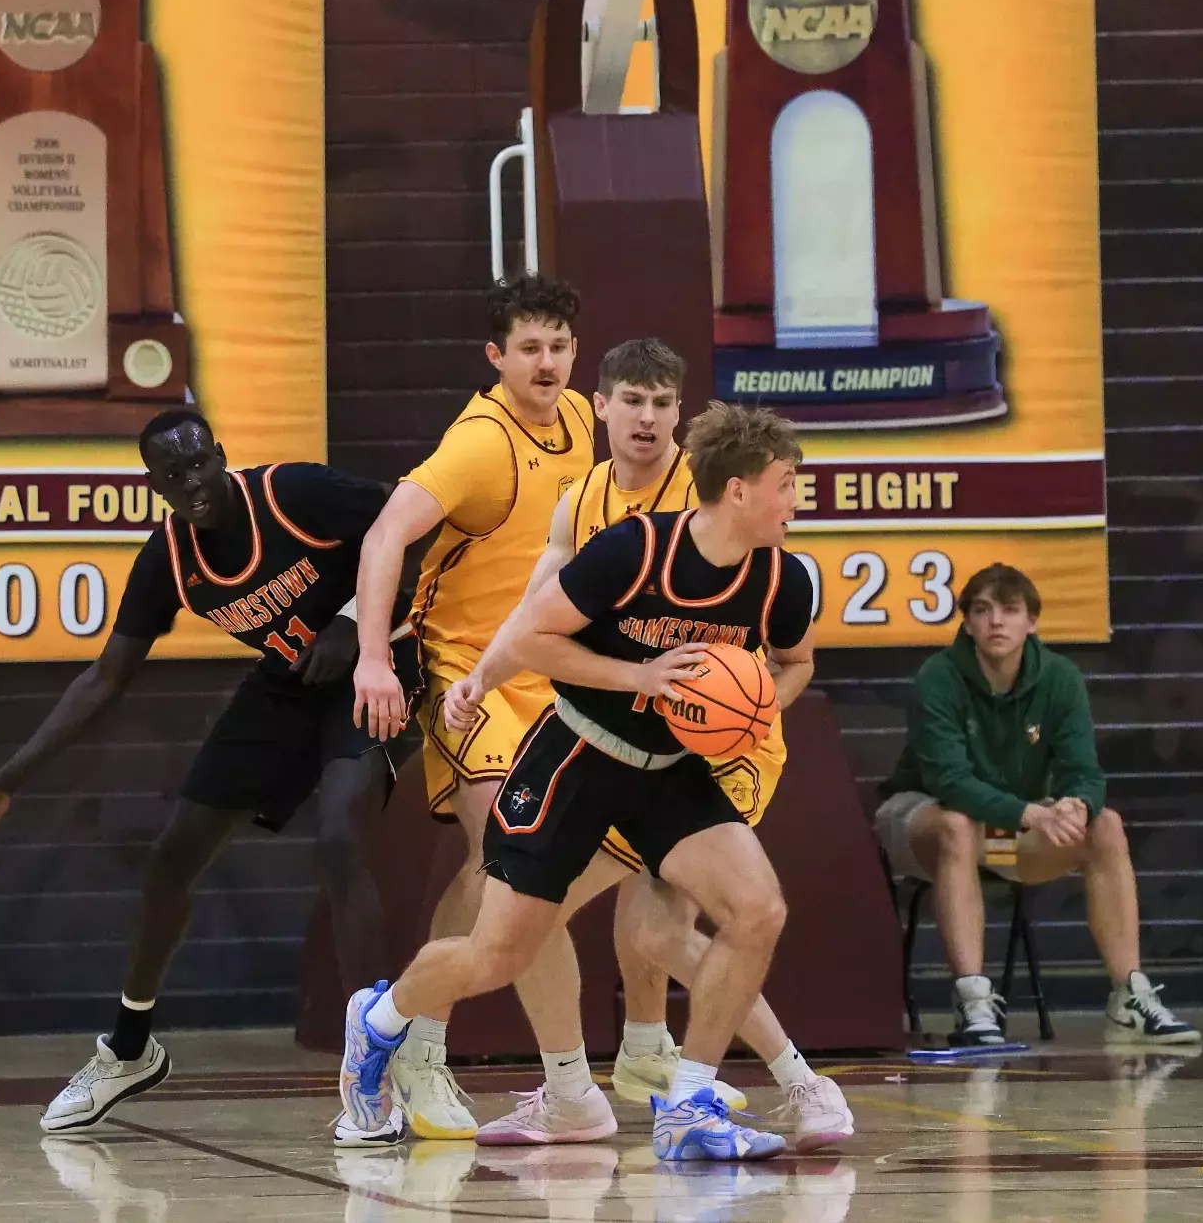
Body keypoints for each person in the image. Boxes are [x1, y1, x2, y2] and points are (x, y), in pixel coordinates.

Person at [340, 403, 818, 1162]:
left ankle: (688, 1105)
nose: (796, 499)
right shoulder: (634, 551)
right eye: (786, 484)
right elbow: (533, 635)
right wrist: (641, 677)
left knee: (758, 909)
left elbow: (796, 663)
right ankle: (379, 1020)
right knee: (498, 954)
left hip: (670, 771)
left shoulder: (781, 580)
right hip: (577, 756)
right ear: (737, 490)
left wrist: (760, 708)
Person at [0, 407, 423, 1132]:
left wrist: (353, 623)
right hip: (289, 680)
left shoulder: (292, 493)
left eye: (199, 464)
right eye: (173, 474)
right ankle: (130, 1049)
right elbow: (105, 678)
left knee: (340, 830)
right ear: (154, 486)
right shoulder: (167, 560)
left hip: (379, 659)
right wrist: (9, 779)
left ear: (220, 456)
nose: (192, 481)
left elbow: (411, 526)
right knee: (171, 859)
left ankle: (375, 1064)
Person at [446, 341, 851, 1151]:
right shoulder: (586, 501)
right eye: (633, 399)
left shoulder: (707, 496)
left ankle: (781, 1082)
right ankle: (608, 1075)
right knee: (560, 916)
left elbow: (790, 657)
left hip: (718, 749)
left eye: (663, 403)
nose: (647, 417)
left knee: (655, 929)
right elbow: (538, 612)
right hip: (627, 739)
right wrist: (482, 678)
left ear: (681, 417)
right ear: (601, 406)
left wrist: (750, 708)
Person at [346, 273, 596, 1141]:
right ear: (496, 356)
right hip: (466, 678)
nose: (546, 363)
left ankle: (409, 1031)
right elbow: (385, 533)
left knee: (503, 873)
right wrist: (371, 658)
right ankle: (564, 1084)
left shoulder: (582, 419)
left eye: (558, 346)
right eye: (529, 348)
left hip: (550, 677)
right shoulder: (480, 444)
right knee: (521, 867)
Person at [874, 563, 1201, 1048]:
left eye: (1009, 610)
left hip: (1003, 839)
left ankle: (1130, 996)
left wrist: (1077, 804)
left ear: (1031, 622)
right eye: (982, 610)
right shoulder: (938, 676)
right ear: (967, 622)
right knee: (956, 825)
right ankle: (973, 1003)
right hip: (924, 821)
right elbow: (950, 781)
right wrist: (1032, 814)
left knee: (1105, 825)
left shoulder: (1059, 677)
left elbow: (1084, 770)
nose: (996, 622)